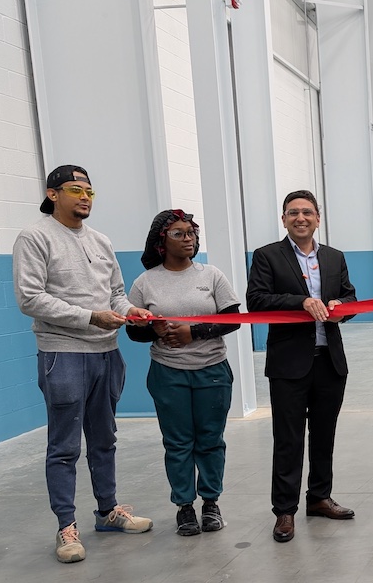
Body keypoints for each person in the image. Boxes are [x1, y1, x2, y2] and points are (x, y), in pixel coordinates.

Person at [12, 165, 154, 564]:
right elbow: (30, 298)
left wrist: (131, 311)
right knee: (64, 446)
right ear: (53, 193)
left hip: (107, 354)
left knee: (105, 438)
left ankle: (108, 511)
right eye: (76, 189)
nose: (85, 197)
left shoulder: (101, 241)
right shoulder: (34, 236)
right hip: (64, 353)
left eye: (90, 191)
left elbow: (116, 294)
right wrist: (90, 317)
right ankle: (65, 527)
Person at [246, 190, 357, 543]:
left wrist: (342, 304)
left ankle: (320, 497)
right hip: (288, 364)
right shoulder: (267, 256)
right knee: (288, 439)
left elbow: (352, 298)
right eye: (293, 213)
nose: (300, 218)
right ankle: (285, 511)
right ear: (284, 219)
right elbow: (257, 299)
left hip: (329, 361)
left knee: (324, 435)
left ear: (318, 218)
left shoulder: (334, 257)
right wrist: (302, 301)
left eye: (307, 212)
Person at [126, 210, 241, 536]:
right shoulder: (145, 282)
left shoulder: (212, 276)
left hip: (212, 372)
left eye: (191, 232)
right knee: (178, 443)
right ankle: (184, 507)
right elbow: (134, 331)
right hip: (168, 373)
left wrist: (195, 332)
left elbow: (232, 318)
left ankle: (210, 503)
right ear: (161, 241)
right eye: (178, 233)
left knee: (210, 440)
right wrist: (156, 331)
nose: (188, 238)